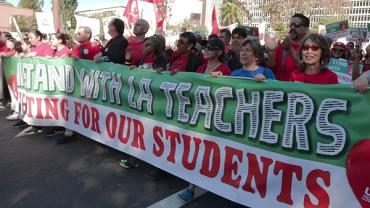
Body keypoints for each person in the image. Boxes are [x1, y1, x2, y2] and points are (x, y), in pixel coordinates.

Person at [268, 13, 310, 81]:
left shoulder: (310, 49)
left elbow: (307, 72)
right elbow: (271, 69)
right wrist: (271, 52)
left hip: (298, 90)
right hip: (280, 89)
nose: (292, 28)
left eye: (296, 25)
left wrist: (290, 50)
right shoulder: (281, 47)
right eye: (291, 25)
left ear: (306, 29)